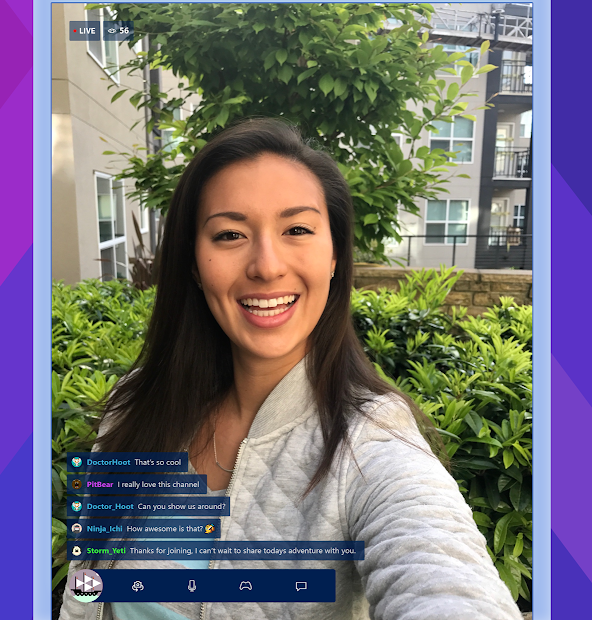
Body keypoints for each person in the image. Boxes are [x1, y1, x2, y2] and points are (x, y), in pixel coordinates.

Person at [60, 118, 522, 620]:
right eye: (230, 234)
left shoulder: (372, 442)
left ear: (334, 255)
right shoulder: (138, 402)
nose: (267, 265)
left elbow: (443, 574)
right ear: (193, 263)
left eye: (297, 230)